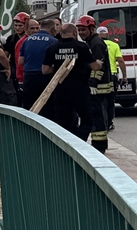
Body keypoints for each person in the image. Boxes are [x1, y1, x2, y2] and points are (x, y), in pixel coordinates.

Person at [41, 24, 100, 141]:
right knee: (87, 118)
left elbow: (45, 70)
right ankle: (79, 140)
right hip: (79, 89)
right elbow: (94, 67)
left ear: (61, 33)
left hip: (60, 89)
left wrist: (59, 69)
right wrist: (99, 64)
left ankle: (68, 143)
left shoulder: (52, 48)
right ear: (74, 33)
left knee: (64, 121)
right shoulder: (82, 47)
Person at [76, 16, 111, 153]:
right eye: (79, 30)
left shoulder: (96, 44)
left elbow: (98, 66)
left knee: (97, 117)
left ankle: (99, 146)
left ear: (92, 29)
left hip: (98, 88)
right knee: (95, 116)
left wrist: (92, 83)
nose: (81, 33)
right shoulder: (90, 42)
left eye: (83, 30)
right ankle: (98, 144)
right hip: (96, 87)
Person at [19, 17, 57, 109]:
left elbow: (20, 61)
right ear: (52, 29)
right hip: (45, 77)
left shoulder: (26, 40)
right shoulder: (54, 41)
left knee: (29, 106)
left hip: (29, 76)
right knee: (46, 107)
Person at [99, 26, 125, 130]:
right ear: (107, 34)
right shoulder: (114, 45)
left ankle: (103, 122)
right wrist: (124, 76)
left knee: (101, 100)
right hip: (112, 75)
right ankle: (109, 122)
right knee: (110, 101)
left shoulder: (95, 45)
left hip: (100, 76)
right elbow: (120, 61)